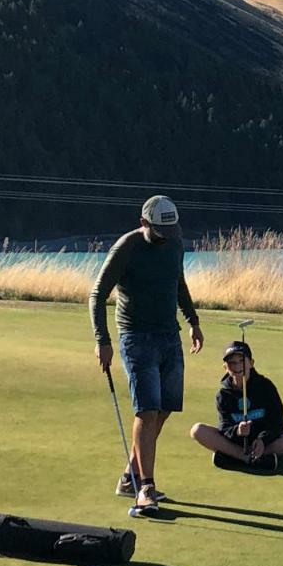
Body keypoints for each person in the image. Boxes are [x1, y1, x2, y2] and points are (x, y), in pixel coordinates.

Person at [89, 195, 204, 513]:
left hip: (170, 335)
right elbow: (97, 294)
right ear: (144, 224)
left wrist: (193, 322)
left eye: (172, 231)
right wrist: (103, 340)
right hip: (135, 338)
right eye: (160, 232)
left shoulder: (175, 241)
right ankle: (145, 488)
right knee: (147, 410)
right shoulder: (127, 247)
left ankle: (129, 477)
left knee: (165, 408)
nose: (167, 237)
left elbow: (178, 284)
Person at [189, 340, 283, 471]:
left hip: (263, 442)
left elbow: (279, 423)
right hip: (235, 443)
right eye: (232, 363)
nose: (237, 366)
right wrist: (237, 430)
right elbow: (224, 427)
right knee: (197, 430)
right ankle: (248, 459)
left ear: (251, 363)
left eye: (241, 361)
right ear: (225, 367)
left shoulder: (266, 387)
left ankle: (235, 458)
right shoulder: (223, 394)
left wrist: (262, 440)